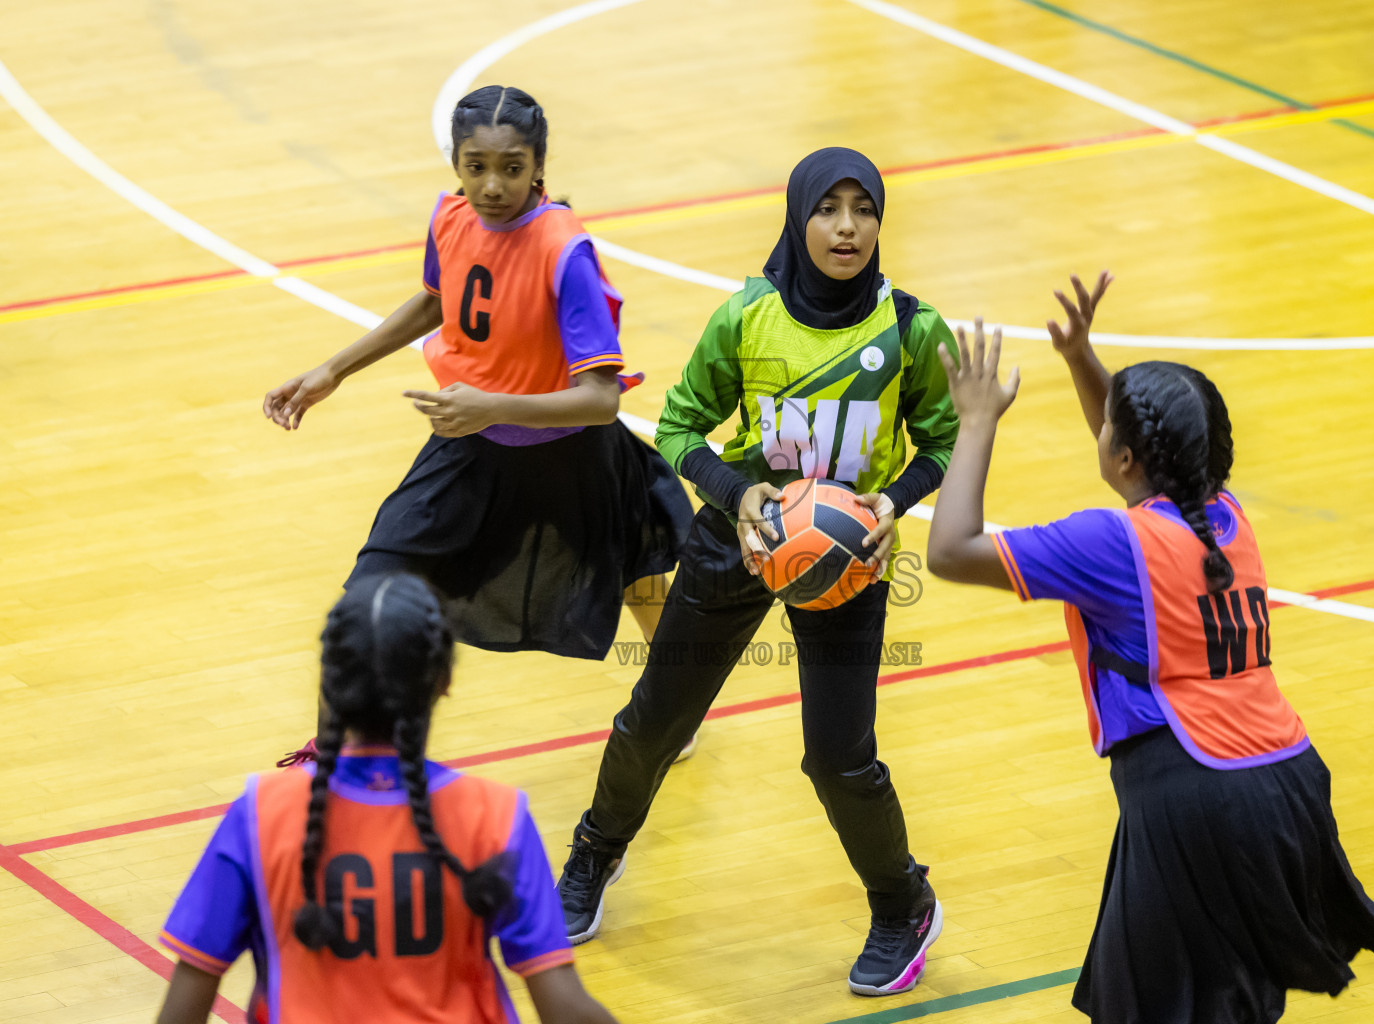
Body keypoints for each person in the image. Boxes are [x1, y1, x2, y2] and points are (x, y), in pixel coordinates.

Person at [925, 274, 1374, 1023]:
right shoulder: (1224, 515)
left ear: (1125, 457)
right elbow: (1135, 460)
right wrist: (1082, 360)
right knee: (1208, 1005)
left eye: (1108, 432)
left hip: (1196, 796)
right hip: (1281, 784)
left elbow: (951, 549)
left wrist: (976, 420)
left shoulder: (1110, 545)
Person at [556, 147, 958, 997]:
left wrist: (893, 501)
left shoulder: (914, 329)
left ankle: (903, 904)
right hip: (738, 538)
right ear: (797, 216)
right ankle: (596, 852)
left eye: (863, 209)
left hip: (848, 556)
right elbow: (675, 427)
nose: (847, 227)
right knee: (654, 722)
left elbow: (946, 442)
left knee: (838, 760)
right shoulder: (747, 315)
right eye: (828, 209)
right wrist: (737, 495)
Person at [260, 85, 690, 687]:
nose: (492, 185)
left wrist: (490, 405)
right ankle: (353, 740)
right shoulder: (452, 216)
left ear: (539, 166)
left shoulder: (565, 253)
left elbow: (601, 400)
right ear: (456, 163)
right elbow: (438, 301)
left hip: (573, 458)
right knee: (373, 585)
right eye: (476, 167)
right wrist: (334, 368)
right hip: (470, 446)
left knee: (639, 580)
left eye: (512, 168)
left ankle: (672, 701)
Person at [155, 574, 620, 1024]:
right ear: (444, 681)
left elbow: (183, 1009)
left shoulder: (261, 813)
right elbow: (566, 1009)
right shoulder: (496, 817)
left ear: (329, 684)